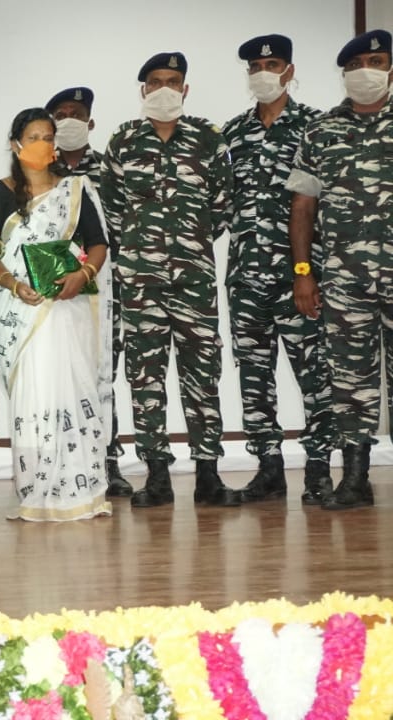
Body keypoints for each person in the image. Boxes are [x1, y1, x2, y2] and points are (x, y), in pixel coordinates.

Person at [100, 52, 240, 509]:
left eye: (173, 81)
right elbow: (111, 211)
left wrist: (188, 245)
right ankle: (156, 474)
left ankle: (208, 474)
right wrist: (144, 252)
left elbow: (223, 206)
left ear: (185, 88)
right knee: (146, 378)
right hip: (140, 282)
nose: (164, 88)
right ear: (143, 90)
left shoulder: (209, 140)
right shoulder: (123, 141)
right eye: (155, 81)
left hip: (194, 281)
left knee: (203, 376)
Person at [223, 34, 336, 505]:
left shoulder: (317, 127)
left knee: (315, 376)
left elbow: (323, 205)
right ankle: (268, 469)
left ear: (289, 70)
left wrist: (306, 271)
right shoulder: (231, 133)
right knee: (254, 378)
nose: (263, 73)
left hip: (299, 278)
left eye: (272, 64)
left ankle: (317, 471)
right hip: (245, 278)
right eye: (255, 66)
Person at [0, 108, 113, 522]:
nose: (42, 143)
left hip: (66, 311)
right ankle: (37, 492)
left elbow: (97, 243)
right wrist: (11, 284)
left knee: (71, 394)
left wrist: (84, 273)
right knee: (32, 397)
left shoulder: (74, 190)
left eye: (48, 136)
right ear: (15, 143)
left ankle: (82, 492)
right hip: (19, 312)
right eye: (33, 135)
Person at [287, 29, 393, 510]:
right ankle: (355, 479)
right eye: (357, 64)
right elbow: (303, 208)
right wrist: (304, 271)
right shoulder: (320, 131)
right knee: (350, 382)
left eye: (377, 60)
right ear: (345, 73)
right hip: (344, 278)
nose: (367, 70)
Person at [45, 86, 132, 500]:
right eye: (59, 115)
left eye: (76, 113)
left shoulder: (110, 168)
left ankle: (107, 461)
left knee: (102, 375)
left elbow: (125, 226)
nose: (68, 121)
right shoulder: (40, 172)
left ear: (91, 121)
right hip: (53, 291)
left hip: (101, 287)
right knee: (58, 375)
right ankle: (61, 461)